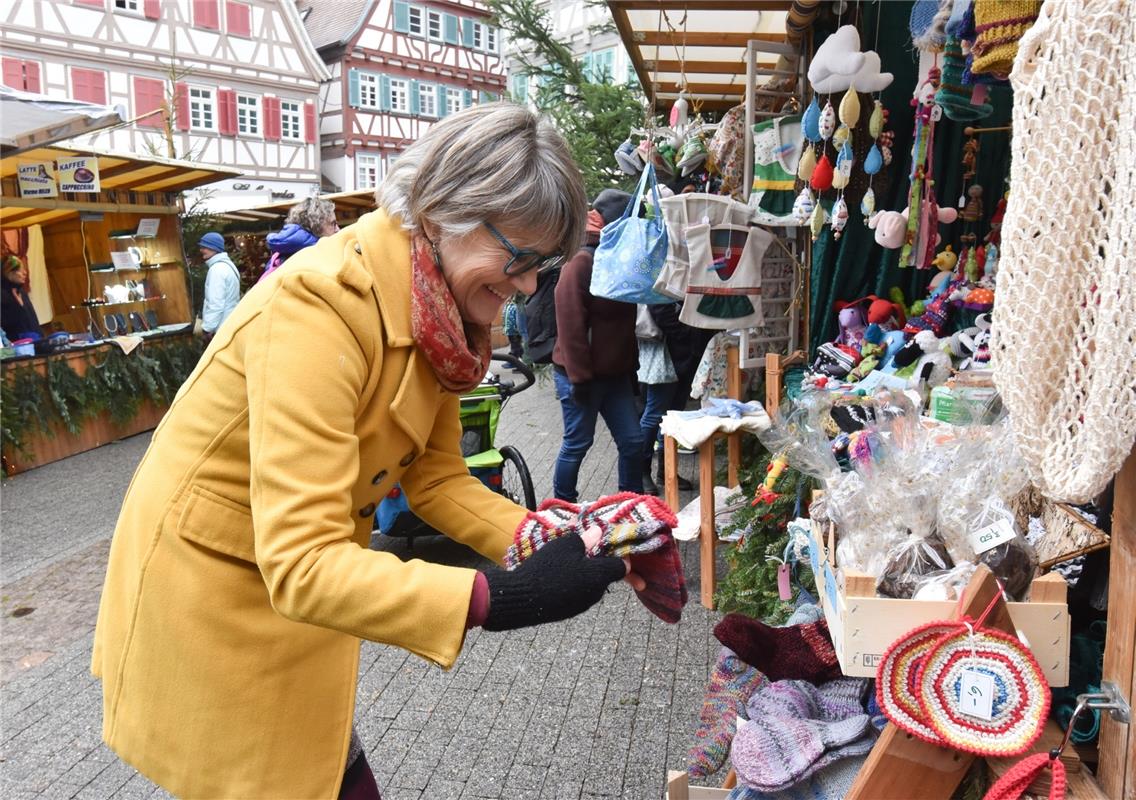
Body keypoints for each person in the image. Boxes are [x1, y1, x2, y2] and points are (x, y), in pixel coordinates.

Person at [91, 103, 639, 800]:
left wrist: (551, 539)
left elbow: (436, 477)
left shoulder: (436, 312)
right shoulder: (318, 306)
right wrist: (498, 596)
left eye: (542, 266)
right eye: (521, 259)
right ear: (447, 209)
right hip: (213, 600)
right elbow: (302, 563)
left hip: (292, 592)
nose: (529, 286)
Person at [551, 189, 644, 501]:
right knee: (578, 443)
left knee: (632, 441)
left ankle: (629, 504)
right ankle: (561, 508)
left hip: (615, 376)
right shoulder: (581, 262)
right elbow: (570, 326)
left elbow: (623, 324)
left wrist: (631, 371)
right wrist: (579, 379)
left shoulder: (619, 260)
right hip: (581, 376)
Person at [638, 302, 714, 494]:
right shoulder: (662, 271)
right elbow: (660, 309)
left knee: (674, 414)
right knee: (655, 413)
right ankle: (641, 471)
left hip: (685, 352)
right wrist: (687, 335)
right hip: (666, 352)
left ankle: (667, 470)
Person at [260, 196, 339, 282]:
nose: (338, 229)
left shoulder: (279, 255)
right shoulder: (312, 258)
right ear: (315, 225)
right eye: (333, 224)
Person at [197, 231, 241, 339]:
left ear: (214, 248)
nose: (201, 250)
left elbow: (215, 303)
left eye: (204, 247)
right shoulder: (228, 265)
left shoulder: (217, 270)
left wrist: (207, 328)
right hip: (231, 323)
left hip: (221, 328)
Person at [0, 248, 41, 341]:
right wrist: (19, 307)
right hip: (16, 345)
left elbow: (32, 320)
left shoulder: (21, 292)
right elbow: (8, 324)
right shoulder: (2, 296)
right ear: (9, 273)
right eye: (20, 270)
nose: (25, 273)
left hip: (34, 340)